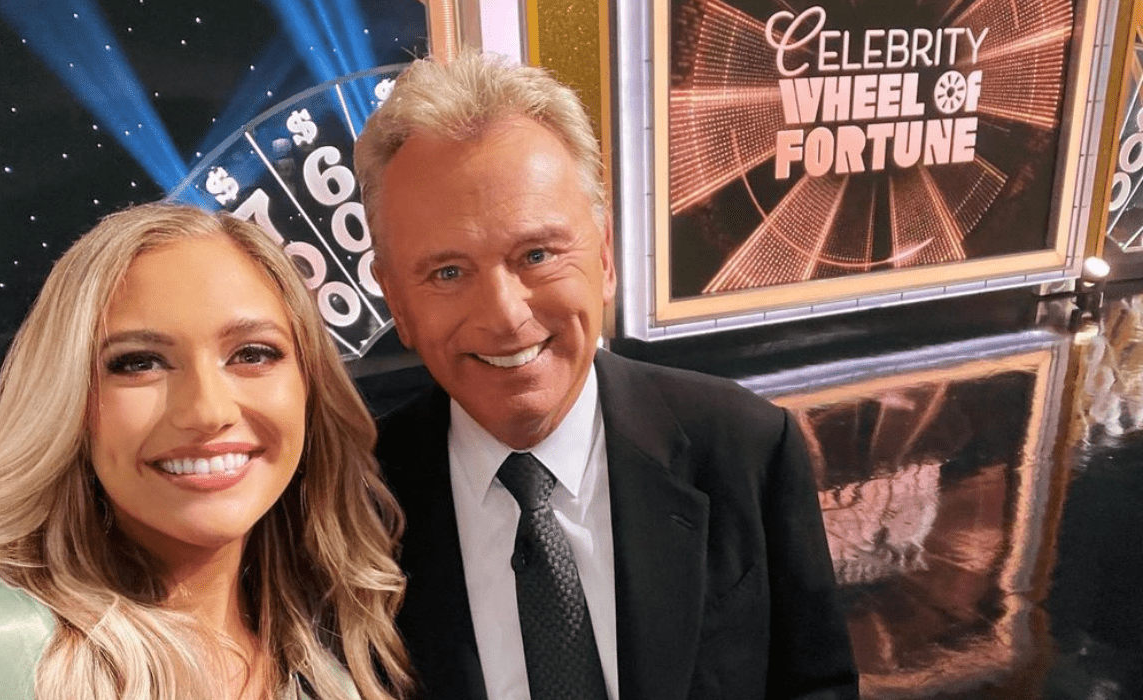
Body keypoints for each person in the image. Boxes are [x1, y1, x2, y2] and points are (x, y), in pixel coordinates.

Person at [354, 52, 859, 700]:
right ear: (396, 299)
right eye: (447, 272)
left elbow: (817, 687)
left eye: (536, 254)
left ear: (605, 257)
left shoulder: (747, 448)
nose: (506, 317)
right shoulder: (350, 504)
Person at [0, 204, 412, 700]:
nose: (207, 411)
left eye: (252, 354)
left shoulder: (332, 678)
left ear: (309, 387)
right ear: (67, 399)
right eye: (139, 362)